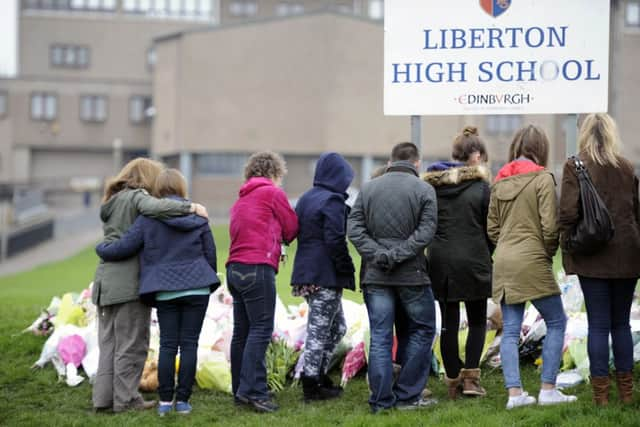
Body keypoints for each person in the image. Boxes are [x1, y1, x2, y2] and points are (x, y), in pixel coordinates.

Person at [95, 169, 220, 416]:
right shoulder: (198, 216)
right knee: (190, 344)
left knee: (167, 345)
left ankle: (164, 402)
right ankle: (183, 401)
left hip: (165, 289)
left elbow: (124, 247)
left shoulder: (148, 219)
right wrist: (204, 279)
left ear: (158, 191)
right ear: (182, 189)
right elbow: (211, 253)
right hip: (197, 287)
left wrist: (101, 248)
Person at [488, 125, 577, 409]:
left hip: (503, 260)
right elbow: (551, 226)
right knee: (556, 321)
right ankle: (548, 389)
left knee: (511, 330)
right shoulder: (543, 178)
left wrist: (507, 245)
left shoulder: (499, 181)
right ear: (541, 149)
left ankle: (515, 395)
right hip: (532, 257)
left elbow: (491, 228)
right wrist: (547, 253)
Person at [348, 142, 438, 413]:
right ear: (417, 163)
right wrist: (397, 254)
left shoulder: (368, 188)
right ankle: (408, 395)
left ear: (390, 161)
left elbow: (354, 227)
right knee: (422, 329)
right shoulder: (425, 190)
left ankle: (380, 400)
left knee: (380, 336)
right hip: (412, 275)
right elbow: (426, 232)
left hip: (376, 275)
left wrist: (379, 254)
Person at [558, 113, 640, 406]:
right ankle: (627, 393)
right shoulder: (627, 167)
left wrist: (568, 240)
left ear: (584, 135)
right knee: (621, 325)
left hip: (593, 256)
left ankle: (601, 396)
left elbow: (567, 213)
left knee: (598, 325)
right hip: (629, 255)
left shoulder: (575, 165)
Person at [423, 126, 493, 399]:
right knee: (477, 322)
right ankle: (471, 380)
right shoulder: (481, 188)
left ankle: (452, 380)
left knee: (449, 323)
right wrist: (487, 252)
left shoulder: (432, 187)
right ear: (475, 156)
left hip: (440, 260)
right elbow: (491, 227)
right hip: (475, 258)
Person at [227, 151, 298, 413]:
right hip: (257, 268)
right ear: (274, 173)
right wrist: (281, 236)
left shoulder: (241, 199)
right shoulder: (272, 193)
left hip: (234, 270)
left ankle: (239, 390)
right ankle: (255, 392)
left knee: (242, 332)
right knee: (260, 330)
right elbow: (291, 226)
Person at [290, 152, 355, 402]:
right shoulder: (333, 201)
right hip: (324, 273)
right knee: (319, 332)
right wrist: (346, 269)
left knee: (337, 328)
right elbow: (335, 240)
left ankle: (318, 374)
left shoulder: (306, 198)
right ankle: (312, 385)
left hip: (306, 272)